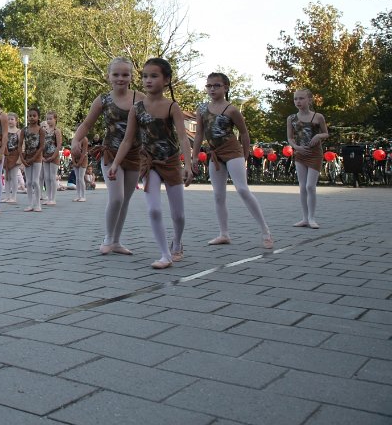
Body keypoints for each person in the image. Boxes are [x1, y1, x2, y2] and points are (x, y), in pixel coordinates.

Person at [109, 58, 193, 269]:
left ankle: (177, 241)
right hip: (149, 164)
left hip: (171, 162)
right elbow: (128, 140)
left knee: (179, 214)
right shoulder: (137, 109)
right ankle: (165, 254)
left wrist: (188, 165)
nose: (148, 80)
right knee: (154, 210)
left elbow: (183, 138)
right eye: (145, 76)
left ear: (166, 80)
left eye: (154, 76)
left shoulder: (172, 106)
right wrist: (115, 164)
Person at [190, 73, 272, 248]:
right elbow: (198, 134)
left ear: (225, 88)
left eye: (216, 85)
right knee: (218, 195)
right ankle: (223, 233)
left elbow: (243, 133)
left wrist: (245, 154)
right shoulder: (202, 109)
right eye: (209, 86)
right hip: (215, 154)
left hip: (233, 151)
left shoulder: (231, 110)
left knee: (242, 189)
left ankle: (265, 231)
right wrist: (194, 156)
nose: (212, 89)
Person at [72, 57, 143, 256]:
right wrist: (75, 140)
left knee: (126, 199)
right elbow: (87, 124)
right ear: (109, 76)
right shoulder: (103, 99)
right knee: (117, 197)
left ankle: (117, 241)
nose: (121, 78)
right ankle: (108, 238)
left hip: (135, 154)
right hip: (111, 153)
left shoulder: (141, 98)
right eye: (116, 74)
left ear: (131, 76)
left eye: (125, 74)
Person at [287, 88, 328, 229]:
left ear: (309, 100)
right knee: (302, 187)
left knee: (310, 186)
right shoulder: (291, 118)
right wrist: (296, 147)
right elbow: (290, 138)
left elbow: (326, 134)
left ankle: (312, 218)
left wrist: (318, 136)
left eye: (301, 98)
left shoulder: (318, 117)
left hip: (315, 154)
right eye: (295, 99)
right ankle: (304, 218)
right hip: (300, 154)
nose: (298, 101)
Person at [22, 107, 45, 212]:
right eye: (30, 116)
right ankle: (30, 204)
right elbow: (19, 145)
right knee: (28, 182)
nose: (31, 118)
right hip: (27, 157)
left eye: (34, 116)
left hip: (37, 158)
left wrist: (34, 158)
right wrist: (22, 158)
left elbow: (41, 146)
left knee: (35, 181)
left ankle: (38, 204)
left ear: (38, 117)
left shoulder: (41, 130)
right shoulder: (24, 130)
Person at [40, 111, 62, 206]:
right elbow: (41, 144)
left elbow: (59, 144)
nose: (48, 121)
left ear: (55, 119)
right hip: (45, 156)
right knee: (46, 177)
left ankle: (53, 198)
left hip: (54, 156)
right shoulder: (44, 131)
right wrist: (41, 156)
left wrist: (54, 156)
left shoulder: (57, 131)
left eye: (50, 119)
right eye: (47, 119)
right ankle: (48, 197)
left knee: (53, 177)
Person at [2, 114, 22, 204]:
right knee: (7, 177)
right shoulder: (5, 131)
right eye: (8, 119)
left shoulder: (18, 132)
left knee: (14, 176)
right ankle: (7, 196)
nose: (10, 121)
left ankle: (14, 196)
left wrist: (20, 158)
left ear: (16, 121)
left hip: (15, 155)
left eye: (12, 119)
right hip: (6, 155)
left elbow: (21, 145)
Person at [71, 132, 89, 203]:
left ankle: (83, 196)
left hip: (83, 159)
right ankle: (78, 195)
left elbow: (84, 152)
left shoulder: (85, 139)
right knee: (77, 178)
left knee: (81, 178)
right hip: (75, 159)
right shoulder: (74, 140)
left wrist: (79, 162)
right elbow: (72, 151)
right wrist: (74, 162)